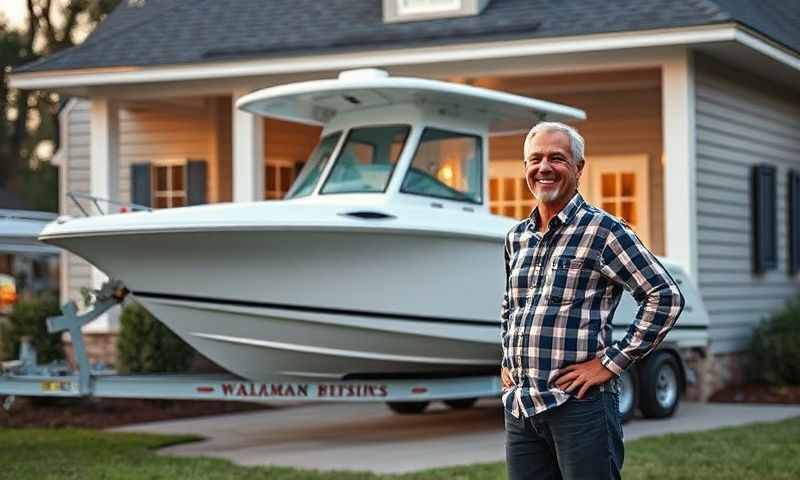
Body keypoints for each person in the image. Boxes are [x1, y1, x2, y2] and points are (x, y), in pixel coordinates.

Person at [500, 122, 684, 480]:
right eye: (535, 159)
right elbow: (512, 306)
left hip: (580, 408)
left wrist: (611, 362)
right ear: (525, 168)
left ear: (579, 168)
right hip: (521, 410)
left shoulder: (604, 231)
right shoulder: (516, 237)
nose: (544, 167)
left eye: (557, 158)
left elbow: (664, 296)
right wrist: (507, 357)